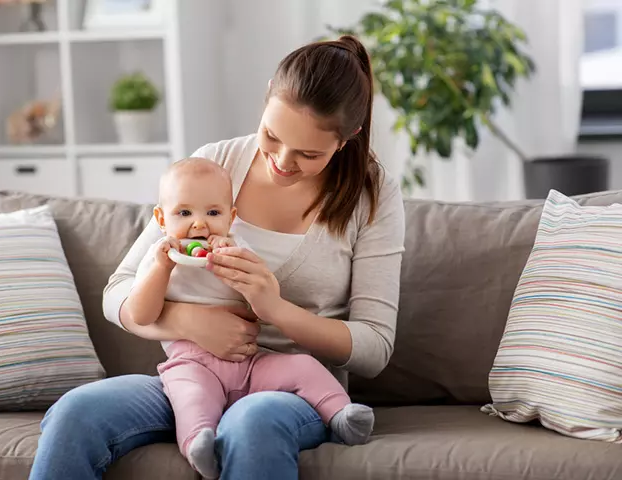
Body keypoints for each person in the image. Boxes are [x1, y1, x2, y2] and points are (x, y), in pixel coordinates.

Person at [28, 34, 405, 480]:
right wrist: (187, 322)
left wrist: (275, 309)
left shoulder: (371, 197)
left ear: (348, 139)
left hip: (290, 392)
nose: (282, 161)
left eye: (309, 154)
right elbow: (117, 293)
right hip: (191, 378)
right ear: (266, 97)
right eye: (272, 135)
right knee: (77, 412)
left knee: (251, 423)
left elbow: (375, 348)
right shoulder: (215, 164)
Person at [134, 156, 375, 478]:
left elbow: (265, 296)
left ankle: (342, 416)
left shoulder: (238, 248)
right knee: (191, 396)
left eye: (213, 213)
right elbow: (141, 314)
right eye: (184, 213)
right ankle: (198, 445)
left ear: (231, 217)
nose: (199, 224)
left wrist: (237, 264)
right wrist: (163, 269)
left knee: (304, 366)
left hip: (252, 362)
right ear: (161, 218)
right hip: (192, 363)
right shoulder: (158, 257)